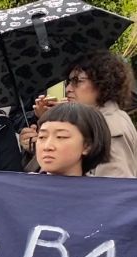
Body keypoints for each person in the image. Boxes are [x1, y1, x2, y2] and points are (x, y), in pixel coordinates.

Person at [25, 50, 137, 178]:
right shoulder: (101, 120)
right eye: (69, 82)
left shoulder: (110, 126)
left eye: (77, 81)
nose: (68, 89)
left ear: (102, 81)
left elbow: (114, 187)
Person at [34, 102, 112, 177]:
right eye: (42, 137)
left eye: (61, 136)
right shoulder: (24, 187)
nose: (47, 147)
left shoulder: (101, 190)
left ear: (87, 146)